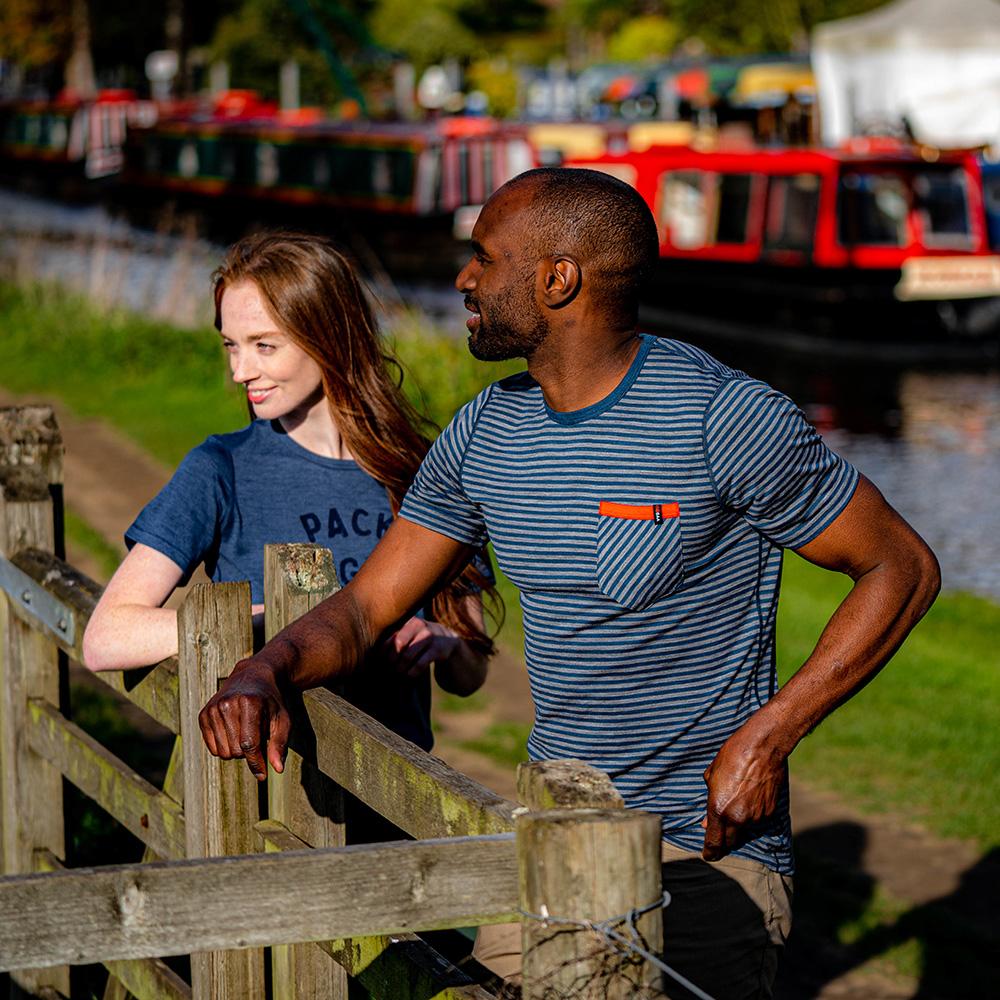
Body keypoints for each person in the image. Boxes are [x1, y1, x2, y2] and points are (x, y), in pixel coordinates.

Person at [197, 170, 941, 998]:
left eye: (484, 257)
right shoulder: (485, 433)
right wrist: (264, 670)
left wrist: (769, 736)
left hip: (704, 860)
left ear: (558, 279)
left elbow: (900, 568)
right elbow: (369, 606)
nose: (463, 280)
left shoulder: (721, 417)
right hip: (553, 832)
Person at [83, 231, 497, 753]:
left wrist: (441, 644)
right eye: (231, 346)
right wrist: (285, 630)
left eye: (264, 345)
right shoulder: (220, 470)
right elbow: (107, 637)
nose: (240, 371)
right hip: (269, 799)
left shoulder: (425, 471)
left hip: (396, 798)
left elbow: (470, 675)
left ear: (329, 336)